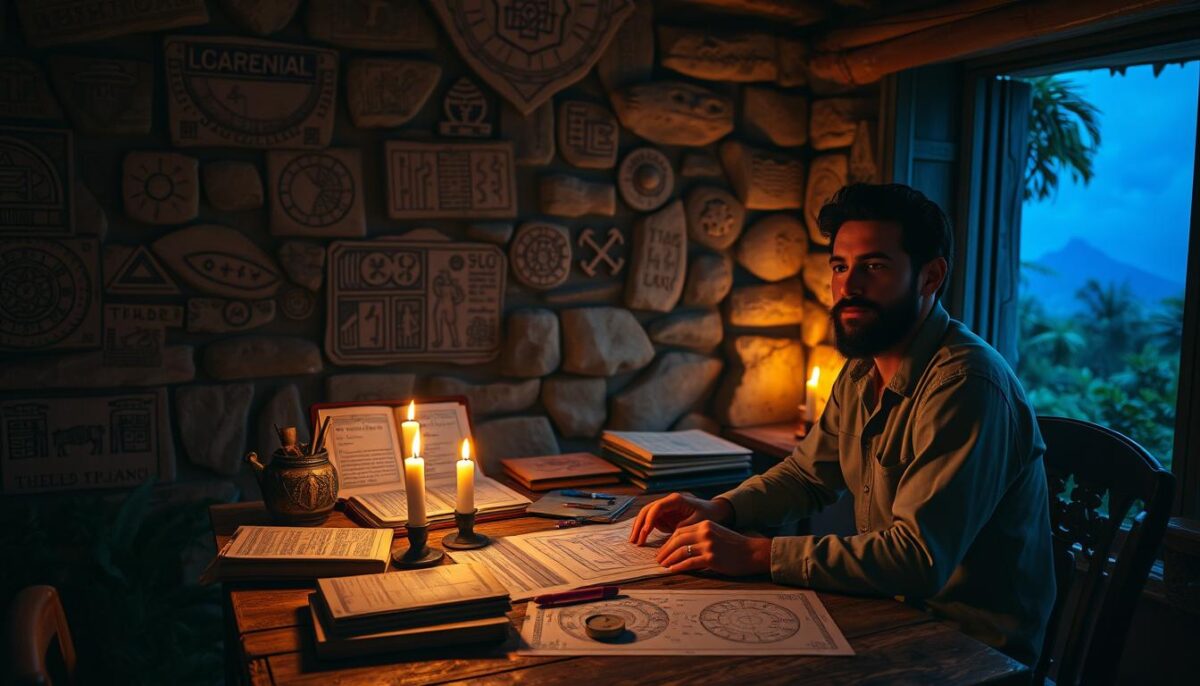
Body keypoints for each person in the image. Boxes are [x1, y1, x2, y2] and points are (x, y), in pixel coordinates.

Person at [630, 183, 1056, 666]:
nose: (849, 287)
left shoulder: (965, 384)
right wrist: (721, 507)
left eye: (873, 267)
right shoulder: (861, 371)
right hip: (889, 614)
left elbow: (918, 558)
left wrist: (757, 554)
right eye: (839, 267)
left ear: (930, 276)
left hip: (971, 652)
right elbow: (807, 475)